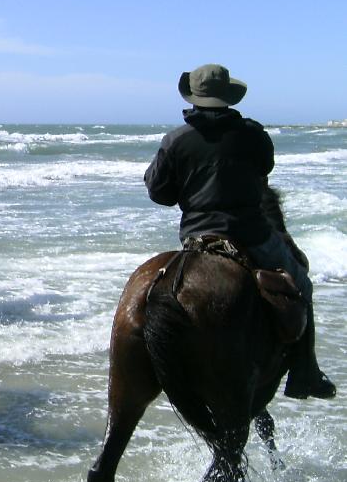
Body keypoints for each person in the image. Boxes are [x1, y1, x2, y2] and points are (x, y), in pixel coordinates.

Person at [144, 64, 336, 400]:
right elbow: (265, 169)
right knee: (301, 283)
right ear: (229, 97)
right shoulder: (253, 134)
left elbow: (159, 193)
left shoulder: (176, 140)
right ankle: (306, 372)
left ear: (194, 97)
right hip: (251, 234)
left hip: (196, 238)